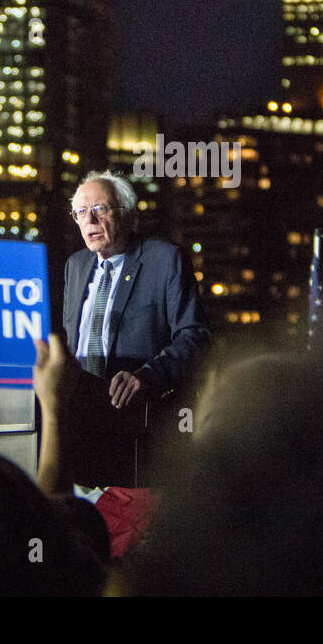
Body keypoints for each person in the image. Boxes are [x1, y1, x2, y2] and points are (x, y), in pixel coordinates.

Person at [60, 170, 209, 485]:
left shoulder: (165, 259)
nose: (90, 220)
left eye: (100, 209)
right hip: (81, 424)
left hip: (140, 427)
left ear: (127, 215)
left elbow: (194, 336)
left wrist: (148, 376)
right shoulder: (75, 266)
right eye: (81, 212)